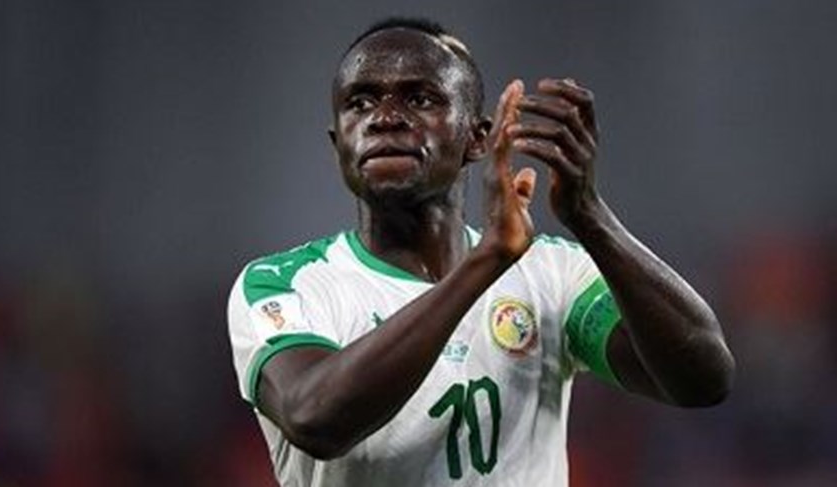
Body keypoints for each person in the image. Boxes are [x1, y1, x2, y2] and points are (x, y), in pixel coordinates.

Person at [227, 17, 735, 487]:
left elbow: (703, 379)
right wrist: (486, 261)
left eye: (420, 99)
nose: (385, 118)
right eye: (360, 103)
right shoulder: (284, 284)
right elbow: (316, 418)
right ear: (338, 143)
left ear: (477, 138)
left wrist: (589, 215)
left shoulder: (552, 274)